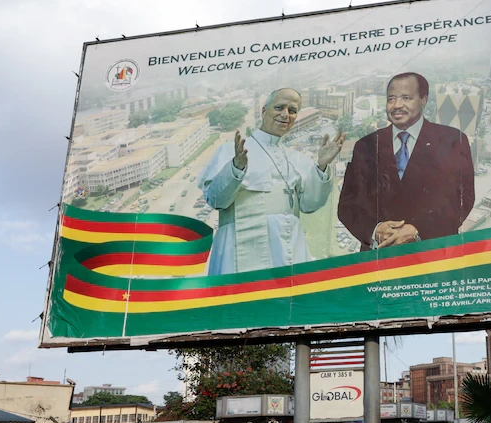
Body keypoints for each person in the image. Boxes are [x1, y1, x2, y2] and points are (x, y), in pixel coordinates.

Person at [198, 88, 345, 274]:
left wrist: (322, 165)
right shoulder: (229, 151)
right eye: (279, 107)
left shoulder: (297, 158)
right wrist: (236, 167)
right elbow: (216, 200)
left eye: (292, 110)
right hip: (238, 249)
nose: (285, 115)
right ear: (263, 111)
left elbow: (309, 205)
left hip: (287, 247)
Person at [337, 72, 475, 249]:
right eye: (391, 99)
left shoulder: (453, 141)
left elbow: (463, 200)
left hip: (432, 258)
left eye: (406, 98)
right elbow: (348, 205)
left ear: (423, 100)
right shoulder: (366, 146)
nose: (397, 105)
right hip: (378, 260)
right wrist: (374, 229)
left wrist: (419, 230)